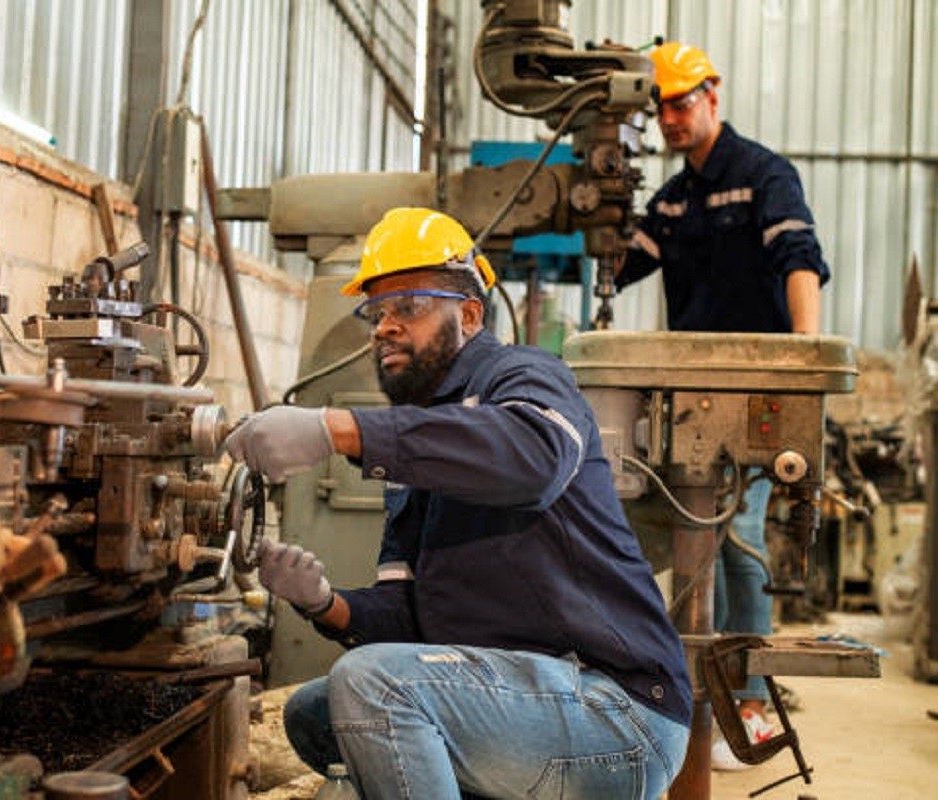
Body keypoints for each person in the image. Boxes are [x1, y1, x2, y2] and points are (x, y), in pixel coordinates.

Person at [225, 207, 691, 799]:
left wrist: (336, 430)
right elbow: (409, 620)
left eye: (408, 307)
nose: (384, 327)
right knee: (317, 714)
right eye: (376, 311)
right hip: (524, 701)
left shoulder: (525, 377)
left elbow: (534, 461)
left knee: (374, 686)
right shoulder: (416, 451)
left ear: (469, 314)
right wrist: (323, 604)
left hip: (618, 712)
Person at [615, 42, 831, 771]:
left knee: (734, 533)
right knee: (672, 527)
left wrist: (804, 364)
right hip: (686, 393)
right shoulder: (674, 199)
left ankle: (749, 699)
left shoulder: (763, 176)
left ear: (713, 96)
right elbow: (620, 260)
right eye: (662, 107)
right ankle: (680, 688)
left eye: (682, 102)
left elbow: (799, 258)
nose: (671, 118)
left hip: (757, 391)